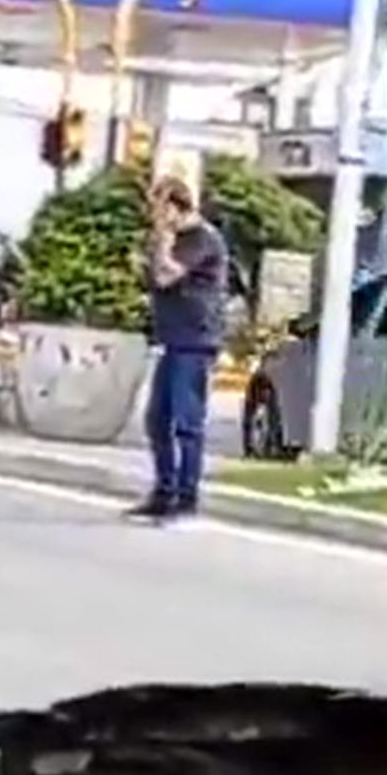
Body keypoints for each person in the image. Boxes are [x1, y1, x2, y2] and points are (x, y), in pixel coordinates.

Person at [127, 174, 229, 522]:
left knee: (187, 420)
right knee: (157, 419)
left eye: (160, 210)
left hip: (195, 338)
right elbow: (154, 279)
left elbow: (169, 275)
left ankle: (186, 497)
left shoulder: (201, 239)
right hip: (171, 337)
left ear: (176, 206)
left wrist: (163, 244)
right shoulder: (171, 239)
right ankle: (163, 490)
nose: (156, 218)